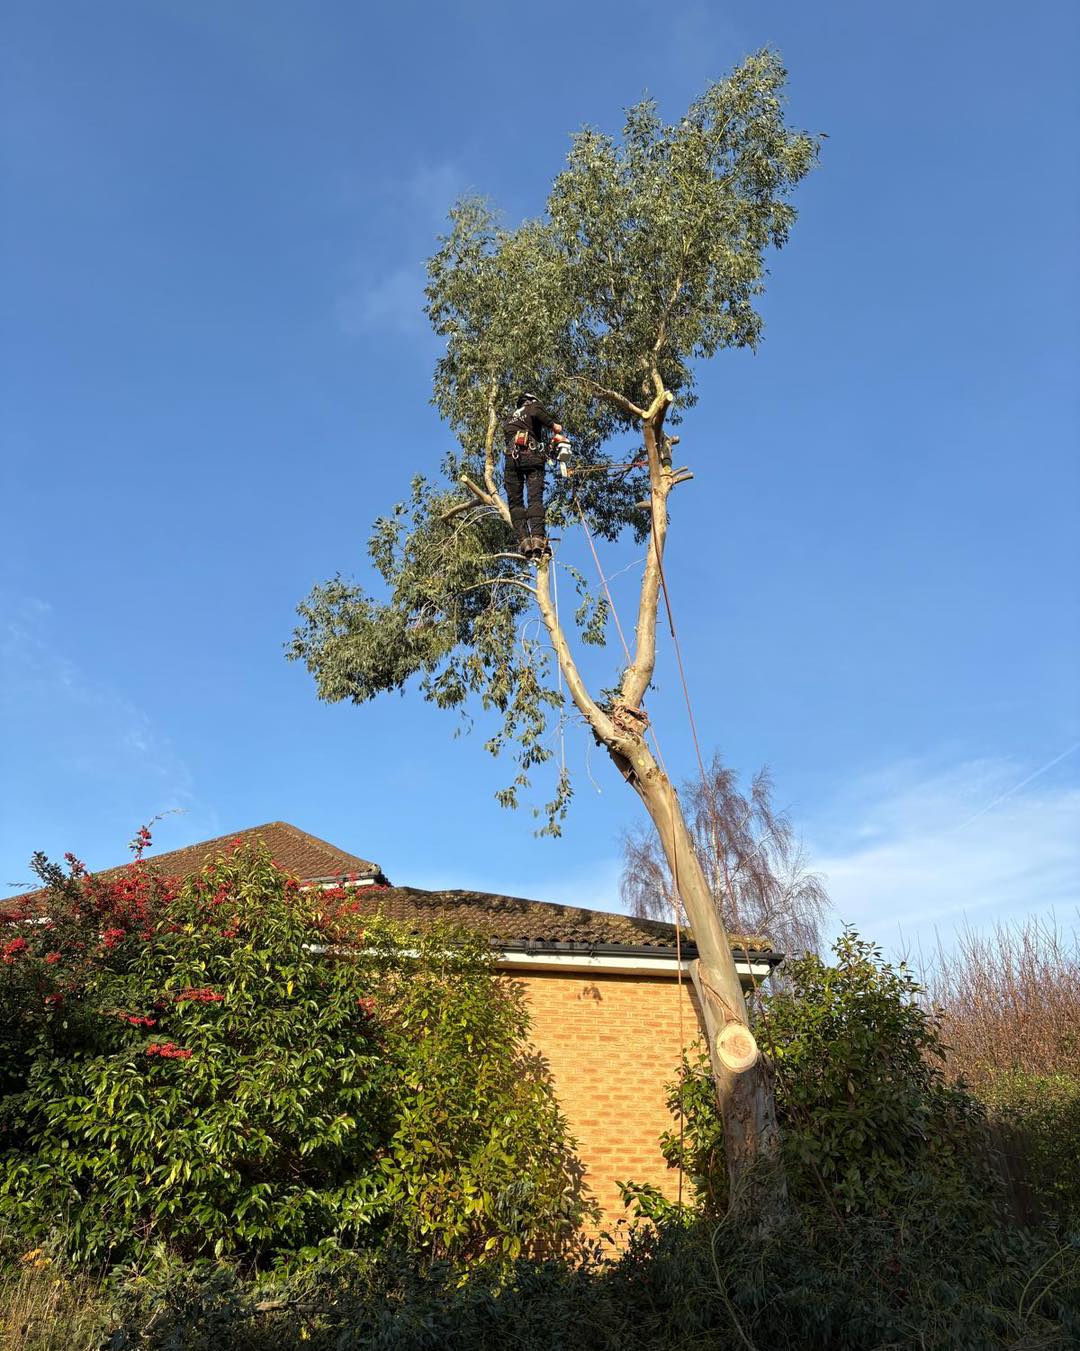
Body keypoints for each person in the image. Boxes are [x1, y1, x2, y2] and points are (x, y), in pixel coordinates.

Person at [501, 391, 569, 559]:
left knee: (515, 504)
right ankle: (538, 540)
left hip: (512, 462)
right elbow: (553, 425)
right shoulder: (534, 407)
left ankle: (524, 542)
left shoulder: (508, 419)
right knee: (535, 499)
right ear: (530, 401)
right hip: (531, 457)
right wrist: (557, 429)